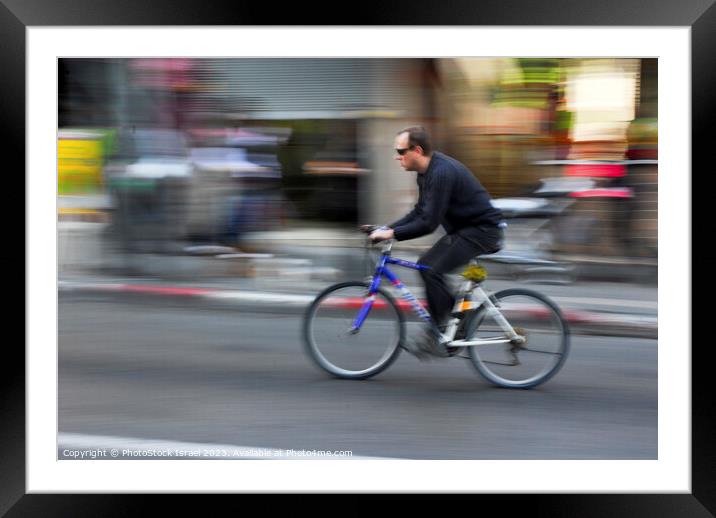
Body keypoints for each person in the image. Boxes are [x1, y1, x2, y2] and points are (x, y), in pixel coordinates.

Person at [368, 126, 505, 359]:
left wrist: (392, 235)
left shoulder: (441, 172)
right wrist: (387, 228)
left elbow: (429, 223)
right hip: (464, 230)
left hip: (483, 231)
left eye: (401, 151)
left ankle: (441, 332)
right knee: (426, 266)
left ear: (417, 150)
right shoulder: (425, 173)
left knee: (432, 271)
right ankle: (455, 324)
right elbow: (420, 212)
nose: (396, 157)